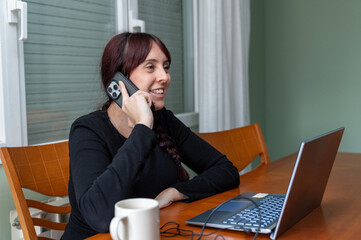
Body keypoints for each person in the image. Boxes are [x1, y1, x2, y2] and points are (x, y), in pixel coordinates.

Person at [61, 32, 240, 239]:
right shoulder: (87, 130)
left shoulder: (163, 119)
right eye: (150, 67)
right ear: (120, 80)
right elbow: (101, 216)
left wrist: (175, 192)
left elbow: (226, 170)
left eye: (166, 67)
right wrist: (142, 127)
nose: (164, 77)